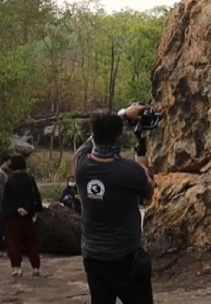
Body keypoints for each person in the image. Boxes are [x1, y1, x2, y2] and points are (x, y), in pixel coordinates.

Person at [76, 108, 155, 304]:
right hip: (126, 257)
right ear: (119, 138)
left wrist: (123, 115)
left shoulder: (81, 166)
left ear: (94, 134)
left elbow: (89, 143)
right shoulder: (131, 171)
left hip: (93, 257)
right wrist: (143, 166)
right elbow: (149, 191)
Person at [0, 155, 43, 278]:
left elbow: (6, 200)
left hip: (12, 217)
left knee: (13, 242)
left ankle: (17, 268)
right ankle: (36, 267)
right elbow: (35, 196)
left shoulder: (9, 180)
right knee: (30, 241)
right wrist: (30, 210)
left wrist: (14, 210)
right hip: (27, 216)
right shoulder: (29, 178)